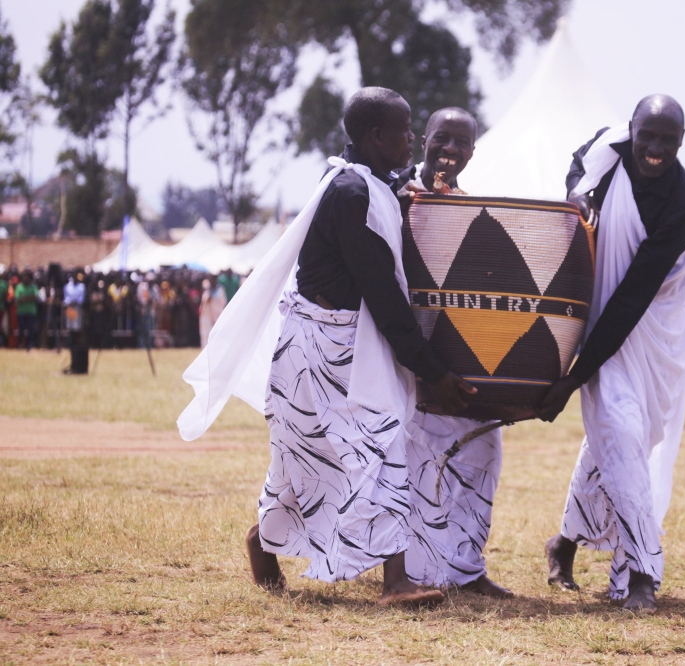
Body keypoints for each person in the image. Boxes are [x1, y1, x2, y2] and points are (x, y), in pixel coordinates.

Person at [241, 87, 475, 607]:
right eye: (404, 130)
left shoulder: (365, 186)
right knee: (379, 442)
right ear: (375, 136)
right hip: (325, 347)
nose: (412, 138)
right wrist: (431, 370)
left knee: (313, 456)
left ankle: (263, 542)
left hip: (327, 343)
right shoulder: (353, 194)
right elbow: (385, 296)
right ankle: (396, 583)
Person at [536, 95, 685, 613]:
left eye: (667, 140)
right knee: (624, 433)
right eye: (646, 136)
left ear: (681, 142)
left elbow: (633, 296)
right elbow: (576, 171)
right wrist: (576, 198)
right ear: (631, 129)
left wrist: (572, 377)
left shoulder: (683, 205)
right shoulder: (607, 151)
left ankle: (563, 543)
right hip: (601, 315)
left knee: (621, 435)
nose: (653, 149)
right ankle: (641, 574)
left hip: (654, 323)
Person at [394, 107, 512, 598]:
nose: (450, 151)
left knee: (483, 453)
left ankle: (467, 571)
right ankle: (420, 574)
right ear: (424, 139)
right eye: (443, 139)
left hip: (459, 358)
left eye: (461, 143)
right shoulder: (395, 195)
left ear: (472, 152)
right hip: (407, 357)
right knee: (417, 465)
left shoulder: (470, 206)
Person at [197, 276, 226, 348]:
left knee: (218, 334)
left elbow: (223, 302)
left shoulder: (220, 290)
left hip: (218, 315)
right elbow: (204, 303)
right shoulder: (207, 291)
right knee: (206, 334)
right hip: (207, 316)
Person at [15, 271, 40, 351]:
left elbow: (36, 297)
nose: (25, 279)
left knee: (31, 329)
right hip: (21, 312)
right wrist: (29, 297)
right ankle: (20, 344)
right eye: (24, 277)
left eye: (27, 277)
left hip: (31, 312)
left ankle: (30, 345)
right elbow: (17, 299)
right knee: (21, 329)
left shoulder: (34, 287)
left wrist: (25, 298)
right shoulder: (19, 287)